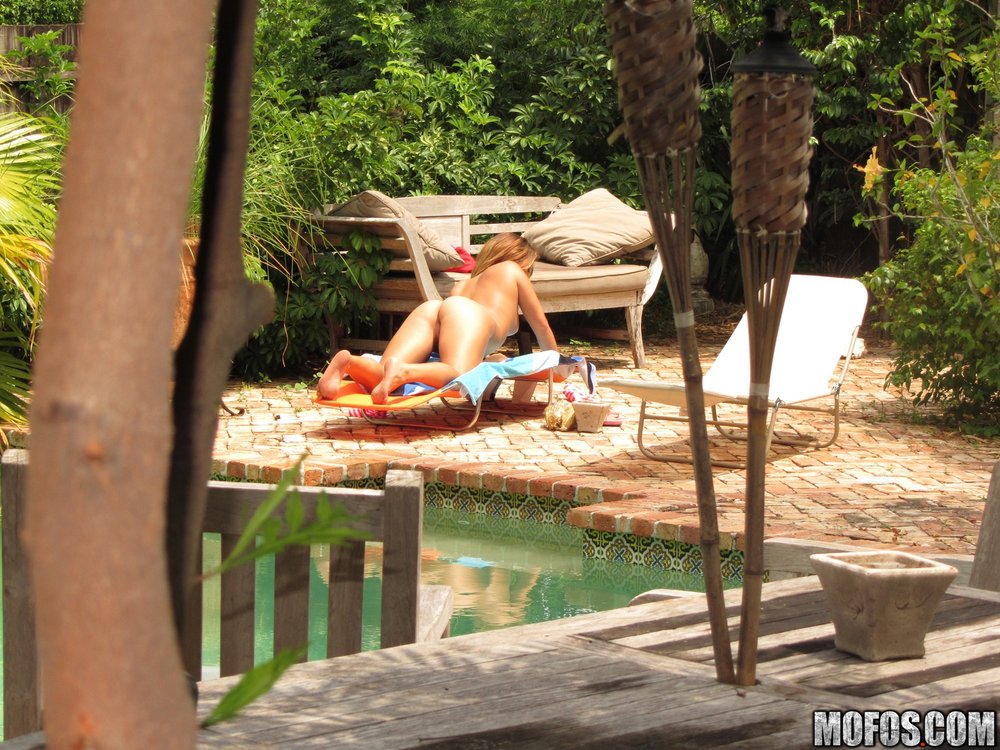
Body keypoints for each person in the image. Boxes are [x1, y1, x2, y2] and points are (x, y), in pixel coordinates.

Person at [316, 232, 558, 404]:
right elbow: (541, 326)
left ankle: (350, 363)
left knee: (382, 374)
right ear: (521, 261)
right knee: (459, 375)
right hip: (467, 315)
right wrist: (557, 364)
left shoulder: (463, 285)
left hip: (433, 308)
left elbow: (459, 336)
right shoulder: (512, 270)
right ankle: (404, 371)